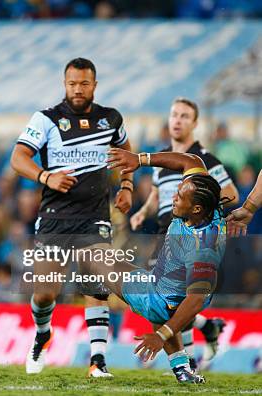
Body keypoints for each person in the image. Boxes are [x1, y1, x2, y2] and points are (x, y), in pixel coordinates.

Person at [10, 58, 134, 377]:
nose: (77, 90)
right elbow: (18, 157)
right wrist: (45, 177)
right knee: (45, 293)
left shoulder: (111, 119)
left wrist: (127, 186)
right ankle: (42, 334)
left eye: (84, 84)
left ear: (94, 85)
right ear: (64, 84)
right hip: (55, 218)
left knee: (96, 286)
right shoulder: (47, 118)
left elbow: (127, 153)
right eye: (72, 83)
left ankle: (98, 361)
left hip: (95, 218)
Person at [95, 147, 229, 383]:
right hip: (175, 278)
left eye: (179, 197)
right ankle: (186, 364)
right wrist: (140, 159)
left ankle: (96, 357)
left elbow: (195, 299)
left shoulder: (203, 247)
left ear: (196, 208)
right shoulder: (205, 197)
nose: (173, 198)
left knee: (92, 258)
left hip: (175, 295)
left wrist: (161, 334)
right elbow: (191, 160)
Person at [129, 98, 238, 369]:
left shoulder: (206, 159)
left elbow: (231, 193)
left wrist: (204, 205)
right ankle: (203, 330)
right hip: (165, 232)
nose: (177, 120)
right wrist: (143, 211)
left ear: (195, 123)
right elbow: (157, 193)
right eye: (174, 114)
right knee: (166, 301)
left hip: (189, 235)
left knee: (170, 300)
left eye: (185, 116)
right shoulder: (163, 157)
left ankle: (185, 357)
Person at [226, 170, 262, 236]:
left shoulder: (235, 196)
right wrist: (248, 209)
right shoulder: (236, 195)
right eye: (244, 176)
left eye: (248, 177)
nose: (246, 178)